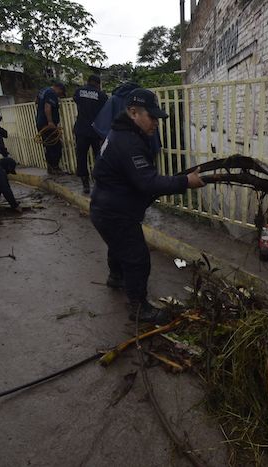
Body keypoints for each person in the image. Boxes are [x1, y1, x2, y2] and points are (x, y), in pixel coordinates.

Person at [90, 88, 205, 324]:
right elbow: (148, 182)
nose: (156, 123)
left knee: (118, 245)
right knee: (137, 257)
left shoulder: (119, 133)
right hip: (115, 213)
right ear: (133, 113)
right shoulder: (128, 142)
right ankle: (139, 307)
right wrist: (186, 181)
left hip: (105, 207)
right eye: (151, 117)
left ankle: (116, 277)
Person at [91, 81, 162, 156]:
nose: (156, 123)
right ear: (133, 112)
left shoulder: (113, 100)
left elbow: (102, 126)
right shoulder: (144, 100)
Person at [73, 74, 108, 194]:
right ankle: (99, 182)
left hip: (81, 129)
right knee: (98, 156)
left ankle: (85, 184)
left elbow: (76, 101)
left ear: (88, 82)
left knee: (81, 156)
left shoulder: (78, 91)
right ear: (98, 84)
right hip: (96, 130)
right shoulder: (102, 95)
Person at [35, 82, 66, 175]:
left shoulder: (43, 90)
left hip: (40, 122)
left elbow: (36, 101)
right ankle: (55, 168)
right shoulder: (51, 93)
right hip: (48, 125)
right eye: (60, 94)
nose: (59, 96)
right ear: (59, 89)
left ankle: (51, 168)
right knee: (56, 146)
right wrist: (50, 122)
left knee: (48, 146)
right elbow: (47, 107)